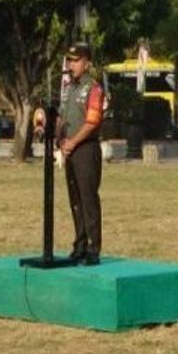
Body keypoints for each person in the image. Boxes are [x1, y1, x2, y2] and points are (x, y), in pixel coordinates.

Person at [59, 42, 106, 266]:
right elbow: (62, 118)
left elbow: (92, 121)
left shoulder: (93, 88)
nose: (71, 65)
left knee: (88, 199)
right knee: (75, 200)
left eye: (76, 61)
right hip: (69, 150)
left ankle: (92, 249)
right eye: (69, 60)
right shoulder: (69, 89)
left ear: (87, 63)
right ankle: (78, 245)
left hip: (86, 149)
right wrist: (59, 139)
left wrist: (73, 142)